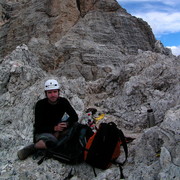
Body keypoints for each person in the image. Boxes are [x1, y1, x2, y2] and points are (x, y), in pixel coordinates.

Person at [17, 79, 78, 160]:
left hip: (58, 130)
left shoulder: (63, 102)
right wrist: (54, 128)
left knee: (77, 127)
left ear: (58, 92)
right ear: (46, 93)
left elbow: (74, 117)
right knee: (52, 143)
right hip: (43, 132)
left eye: (55, 92)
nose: (53, 95)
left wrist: (66, 124)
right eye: (50, 92)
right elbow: (38, 126)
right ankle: (33, 147)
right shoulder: (40, 104)